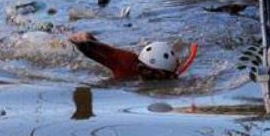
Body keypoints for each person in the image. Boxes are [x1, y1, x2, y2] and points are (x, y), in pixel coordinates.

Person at [69, 32, 197, 81]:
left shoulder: (171, 79)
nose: (148, 74)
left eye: (153, 73)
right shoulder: (127, 63)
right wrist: (84, 41)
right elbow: (92, 48)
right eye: (145, 69)